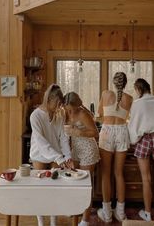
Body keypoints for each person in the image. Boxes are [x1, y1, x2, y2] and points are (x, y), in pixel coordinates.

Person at [30, 84, 74, 226]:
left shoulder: (59, 114)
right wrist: (60, 158)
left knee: (55, 188)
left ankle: (53, 221)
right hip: (39, 155)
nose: (59, 106)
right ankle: (41, 222)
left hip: (56, 154)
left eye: (61, 104)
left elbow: (62, 137)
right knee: (40, 190)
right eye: (57, 103)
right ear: (49, 99)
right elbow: (42, 144)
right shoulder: (35, 116)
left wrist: (67, 156)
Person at [128, 78, 154, 222]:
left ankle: (147, 214)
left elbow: (133, 126)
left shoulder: (137, 103)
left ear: (139, 90)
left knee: (146, 179)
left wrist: (133, 140)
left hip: (145, 139)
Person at [97, 72, 133, 223]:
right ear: (125, 83)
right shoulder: (130, 99)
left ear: (114, 82)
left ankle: (107, 214)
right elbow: (127, 117)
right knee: (119, 173)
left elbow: (99, 114)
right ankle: (120, 212)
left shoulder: (105, 94)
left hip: (107, 132)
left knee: (106, 173)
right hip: (122, 132)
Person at [63, 92, 100, 226]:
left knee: (85, 186)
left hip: (88, 150)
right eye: (67, 109)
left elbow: (95, 133)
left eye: (71, 109)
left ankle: (85, 220)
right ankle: (75, 209)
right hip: (75, 151)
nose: (69, 112)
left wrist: (80, 132)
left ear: (77, 105)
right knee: (74, 182)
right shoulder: (65, 113)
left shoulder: (83, 114)